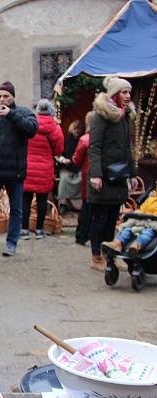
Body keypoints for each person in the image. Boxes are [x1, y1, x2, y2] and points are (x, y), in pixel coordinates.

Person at [87, 76, 138, 271]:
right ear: (115, 94)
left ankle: (109, 256)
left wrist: (132, 174)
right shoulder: (100, 115)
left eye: (128, 92)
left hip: (118, 177)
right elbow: (95, 146)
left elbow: (127, 149)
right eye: (124, 92)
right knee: (100, 219)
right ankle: (96, 257)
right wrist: (96, 174)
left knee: (111, 220)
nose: (128, 96)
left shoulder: (124, 117)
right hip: (104, 177)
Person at [0, 81, 38, 257]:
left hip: (15, 171)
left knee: (16, 209)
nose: (2, 99)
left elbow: (31, 130)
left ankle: (11, 242)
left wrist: (11, 115)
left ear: (13, 97)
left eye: (6, 96)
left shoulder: (24, 113)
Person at [22, 99, 64, 240]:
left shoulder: (30, 125)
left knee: (26, 199)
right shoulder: (56, 129)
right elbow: (59, 150)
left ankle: (24, 229)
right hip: (46, 167)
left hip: (28, 166)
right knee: (42, 200)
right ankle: (39, 229)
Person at [102, 187, 157, 257]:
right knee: (127, 230)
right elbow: (142, 209)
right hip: (142, 221)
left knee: (147, 233)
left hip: (152, 225)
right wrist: (138, 214)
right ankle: (117, 244)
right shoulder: (151, 198)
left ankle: (136, 246)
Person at [71, 112, 94, 246]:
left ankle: (81, 235)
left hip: (88, 175)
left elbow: (76, 159)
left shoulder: (85, 139)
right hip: (101, 176)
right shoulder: (104, 138)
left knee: (87, 206)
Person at [56, 119, 85, 213]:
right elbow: (60, 154)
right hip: (67, 168)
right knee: (64, 179)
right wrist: (64, 160)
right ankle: (63, 203)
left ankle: (79, 205)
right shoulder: (66, 141)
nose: (77, 131)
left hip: (79, 168)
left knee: (82, 178)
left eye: (79, 129)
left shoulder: (82, 140)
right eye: (75, 129)